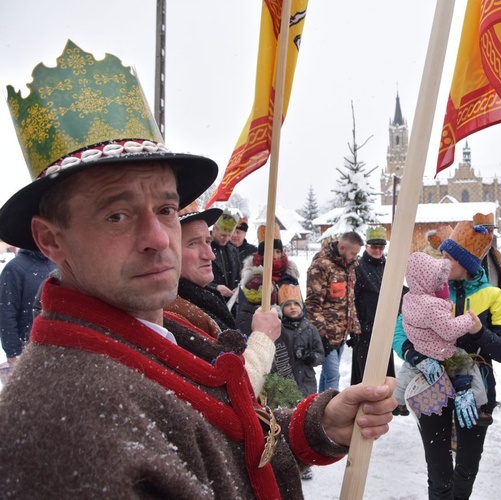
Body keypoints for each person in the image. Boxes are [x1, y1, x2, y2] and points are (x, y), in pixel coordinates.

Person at [0, 41, 396, 498]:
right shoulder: (61, 431)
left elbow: (222, 448)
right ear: (52, 240)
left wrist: (319, 423)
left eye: (166, 209)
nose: (157, 236)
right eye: (117, 215)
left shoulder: (164, 331)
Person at [393, 221, 501, 499]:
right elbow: (400, 332)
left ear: (467, 264)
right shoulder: (426, 290)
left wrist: (479, 332)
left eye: (451, 258)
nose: (443, 262)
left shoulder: (492, 295)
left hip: (474, 390)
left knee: (467, 467)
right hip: (430, 386)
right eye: (443, 255)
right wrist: (416, 356)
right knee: (438, 469)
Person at [165, 201, 276, 397]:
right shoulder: (176, 313)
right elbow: (231, 392)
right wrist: (262, 338)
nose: (210, 255)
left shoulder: (203, 300)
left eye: (207, 242)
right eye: (193, 243)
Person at [401, 251, 490, 428]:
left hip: (421, 349)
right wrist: (468, 320)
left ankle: (397, 401)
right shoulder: (431, 305)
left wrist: (413, 354)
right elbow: (449, 331)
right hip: (440, 351)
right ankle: (479, 405)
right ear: (427, 283)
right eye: (440, 282)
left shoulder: (410, 298)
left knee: (408, 372)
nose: (445, 286)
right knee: (469, 366)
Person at [306, 231, 363, 391]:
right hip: (326, 334)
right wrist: (322, 335)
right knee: (333, 376)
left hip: (341, 333)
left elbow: (349, 301)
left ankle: (320, 408)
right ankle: (331, 411)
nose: (355, 257)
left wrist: (354, 328)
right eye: (353, 253)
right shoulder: (321, 266)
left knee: (327, 375)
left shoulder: (349, 267)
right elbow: (313, 303)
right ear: (342, 247)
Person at [236, 223, 299, 334]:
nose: (275, 256)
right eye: (270, 251)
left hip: (289, 333)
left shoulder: (290, 275)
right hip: (261, 332)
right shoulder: (250, 278)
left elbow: (299, 307)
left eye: (278, 251)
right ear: (262, 253)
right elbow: (244, 311)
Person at [352, 225, 395, 386]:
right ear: (367, 247)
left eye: (381, 247)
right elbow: (353, 298)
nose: (378, 251)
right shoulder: (358, 267)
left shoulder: (388, 266)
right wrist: (357, 325)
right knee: (366, 371)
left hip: (384, 325)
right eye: (374, 247)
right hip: (365, 327)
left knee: (385, 367)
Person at [0, 248, 56, 365]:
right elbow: (6, 311)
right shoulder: (14, 268)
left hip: (55, 349)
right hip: (27, 349)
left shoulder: (57, 265)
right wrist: (13, 351)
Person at [274, 284, 325, 398]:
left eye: (296, 303)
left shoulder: (310, 328)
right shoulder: (277, 329)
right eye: (288, 304)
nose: (293, 307)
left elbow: (320, 355)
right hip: (283, 384)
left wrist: (311, 357)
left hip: (306, 382)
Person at [209, 209, 242, 302]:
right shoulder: (204, 248)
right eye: (223, 235)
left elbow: (238, 278)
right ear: (214, 229)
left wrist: (238, 289)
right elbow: (194, 279)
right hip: (211, 301)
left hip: (231, 304)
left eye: (229, 235)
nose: (226, 239)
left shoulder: (233, 251)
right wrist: (215, 288)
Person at [473, 212, 501, 296]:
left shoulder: (496, 254)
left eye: (491, 231)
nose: (489, 235)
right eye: (484, 231)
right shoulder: (468, 255)